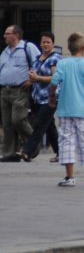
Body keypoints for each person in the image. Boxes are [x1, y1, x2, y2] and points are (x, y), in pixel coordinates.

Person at [48, 32, 84, 187]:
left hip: (65, 109)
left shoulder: (63, 64)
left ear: (69, 48)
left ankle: (69, 177)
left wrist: (52, 96)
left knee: (66, 142)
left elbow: (54, 81)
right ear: (83, 48)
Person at [18, 31, 61, 162]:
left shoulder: (55, 58)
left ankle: (27, 151)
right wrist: (31, 80)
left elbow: (55, 78)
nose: (45, 45)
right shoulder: (38, 58)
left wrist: (38, 78)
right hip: (37, 97)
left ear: (53, 44)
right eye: (43, 42)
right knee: (49, 126)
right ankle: (61, 153)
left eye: (48, 42)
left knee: (39, 125)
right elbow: (34, 75)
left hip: (50, 97)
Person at [1, 25, 40, 162]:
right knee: (7, 123)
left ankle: (32, 144)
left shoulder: (27, 47)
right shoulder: (5, 52)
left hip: (20, 90)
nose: (5, 36)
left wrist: (31, 80)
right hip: (5, 90)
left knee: (18, 119)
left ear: (16, 35)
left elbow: (39, 64)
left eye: (7, 33)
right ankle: (10, 153)